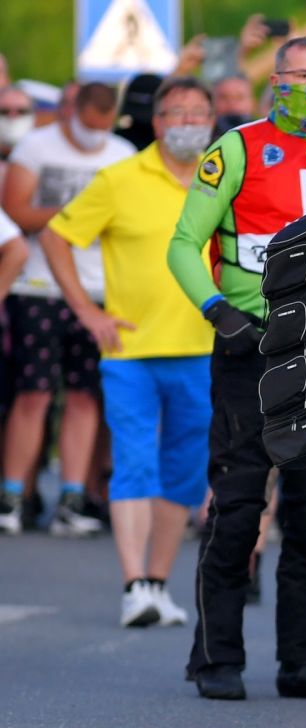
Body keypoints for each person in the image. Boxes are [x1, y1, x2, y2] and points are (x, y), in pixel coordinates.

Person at [168, 36, 306, 702]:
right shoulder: (237, 147)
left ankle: (305, 658)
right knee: (238, 507)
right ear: (275, 80)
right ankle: (215, 655)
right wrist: (216, 309)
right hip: (249, 347)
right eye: (300, 75)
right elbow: (183, 244)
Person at [40, 77, 215, 628]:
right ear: (157, 122)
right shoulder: (119, 178)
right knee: (135, 463)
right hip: (130, 349)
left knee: (185, 472)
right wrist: (86, 311)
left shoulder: (221, 179)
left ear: (212, 122)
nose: (188, 122)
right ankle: (134, 585)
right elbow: (55, 236)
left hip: (202, 349)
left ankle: (157, 584)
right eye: (177, 112)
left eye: (198, 112)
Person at [0, 82, 134, 537]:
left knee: (85, 397)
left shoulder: (121, 154)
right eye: (88, 126)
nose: (95, 136)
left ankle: (72, 497)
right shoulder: (36, 147)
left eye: (103, 128)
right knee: (34, 393)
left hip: (100, 291)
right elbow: (15, 212)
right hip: (39, 289)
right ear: (72, 112)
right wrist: (80, 213)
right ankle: (13, 495)